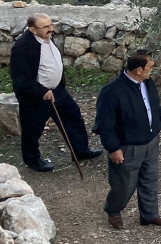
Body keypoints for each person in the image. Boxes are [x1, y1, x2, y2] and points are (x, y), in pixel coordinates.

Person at [9, 12, 103, 171]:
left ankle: (80, 151)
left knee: (73, 116)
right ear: (32, 30)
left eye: (50, 24)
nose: (50, 29)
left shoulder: (47, 37)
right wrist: (41, 91)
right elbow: (20, 79)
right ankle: (32, 160)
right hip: (35, 96)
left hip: (57, 90)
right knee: (33, 128)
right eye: (45, 27)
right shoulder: (22, 47)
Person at [92, 50, 161, 229]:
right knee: (124, 184)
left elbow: (154, 105)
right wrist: (113, 148)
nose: (152, 69)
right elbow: (105, 124)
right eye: (150, 66)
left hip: (151, 143)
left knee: (149, 180)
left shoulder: (147, 82)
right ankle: (113, 209)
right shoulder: (112, 91)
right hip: (128, 147)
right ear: (138, 69)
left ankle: (150, 215)